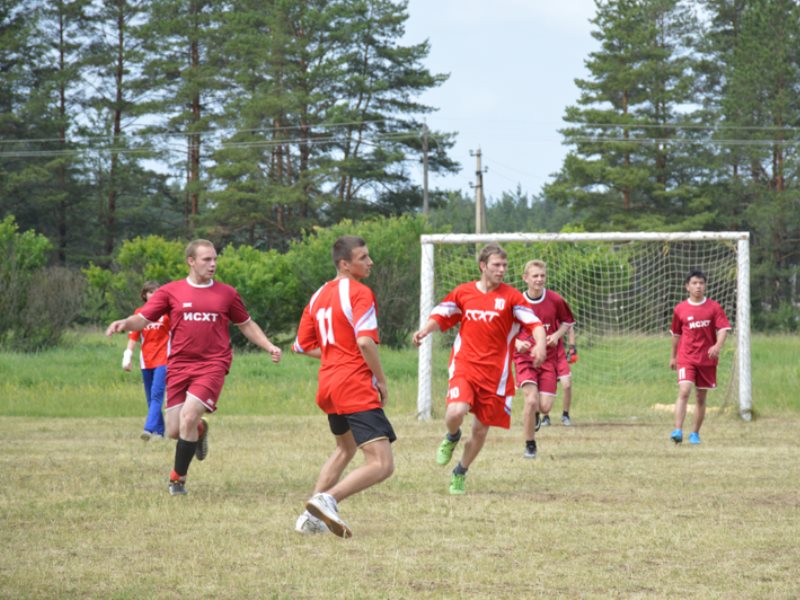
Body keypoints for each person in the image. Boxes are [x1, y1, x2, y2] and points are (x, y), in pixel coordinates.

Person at [106, 239, 282, 495]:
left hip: (213, 364)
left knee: (189, 416)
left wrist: (269, 346)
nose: (213, 264)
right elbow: (142, 318)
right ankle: (200, 431)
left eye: (215, 259)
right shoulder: (170, 291)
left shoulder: (227, 293)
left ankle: (177, 480)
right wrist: (124, 323)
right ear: (191, 261)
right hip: (178, 364)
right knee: (175, 430)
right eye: (206, 260)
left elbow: (246, 324)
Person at [413, 243, 546, 495]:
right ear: (483, 266)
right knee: (456, 411)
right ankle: (452, 436)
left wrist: (540, 346)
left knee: (480, 429)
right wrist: (424, 330)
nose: (502, 270)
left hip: (496, 376)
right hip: (465, 366)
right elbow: (441, 314)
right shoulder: (464, 292)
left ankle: (460, 471)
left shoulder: (512, 297)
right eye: (497, 265)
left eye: (505, 265)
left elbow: (535, 324)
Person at [291, 236, 395, 539]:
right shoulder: (360, 293)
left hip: (329, 385)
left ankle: (309, 518)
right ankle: (328, 499)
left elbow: (300, 345)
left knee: (344, 448)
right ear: (344, 264)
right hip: (354, 384)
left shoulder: (318, 295)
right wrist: (381, 379)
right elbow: (364, 341)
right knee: (382, 464)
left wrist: (335, 353)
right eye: (363, 257)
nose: (370, 262)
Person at [513, 260, 576, 458]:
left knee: (545, 406)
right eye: (535, 276)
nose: (539, 279)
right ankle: (530, 445)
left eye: (542, 276)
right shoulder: (515, 302)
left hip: (548, 359)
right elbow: (503, 329)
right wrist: (516, 343)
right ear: (525, 278)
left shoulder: (555, 300)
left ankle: (538, 415)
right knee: (531, 400)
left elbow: (568, 322)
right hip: (525, 358)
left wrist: (556, 337)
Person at [669, 269, 731, 445]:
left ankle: (695, 434)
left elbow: (723, 329)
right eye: (694, 283)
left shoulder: (714, 307)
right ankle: (678, 431)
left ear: (705, 286)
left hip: (707, 360)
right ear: (687, 287)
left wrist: (717, 345)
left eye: (701, 283)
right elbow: (676, 334)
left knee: (700, 398)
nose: (698, 286)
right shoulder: (680, 309)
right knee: (684, 391)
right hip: (686, 358)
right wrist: (673, 357)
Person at [121, 281, 169, 441]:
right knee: (150, 399)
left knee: (157, 396)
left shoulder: (167, 313)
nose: (153, 295)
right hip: (146, 361)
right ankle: (160, 433)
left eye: (156, 292)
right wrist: (127, 356)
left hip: (164, 359)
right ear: (144, 295)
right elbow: (133, 336)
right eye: (150, 292)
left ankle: (148, 429)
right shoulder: (140, 313)